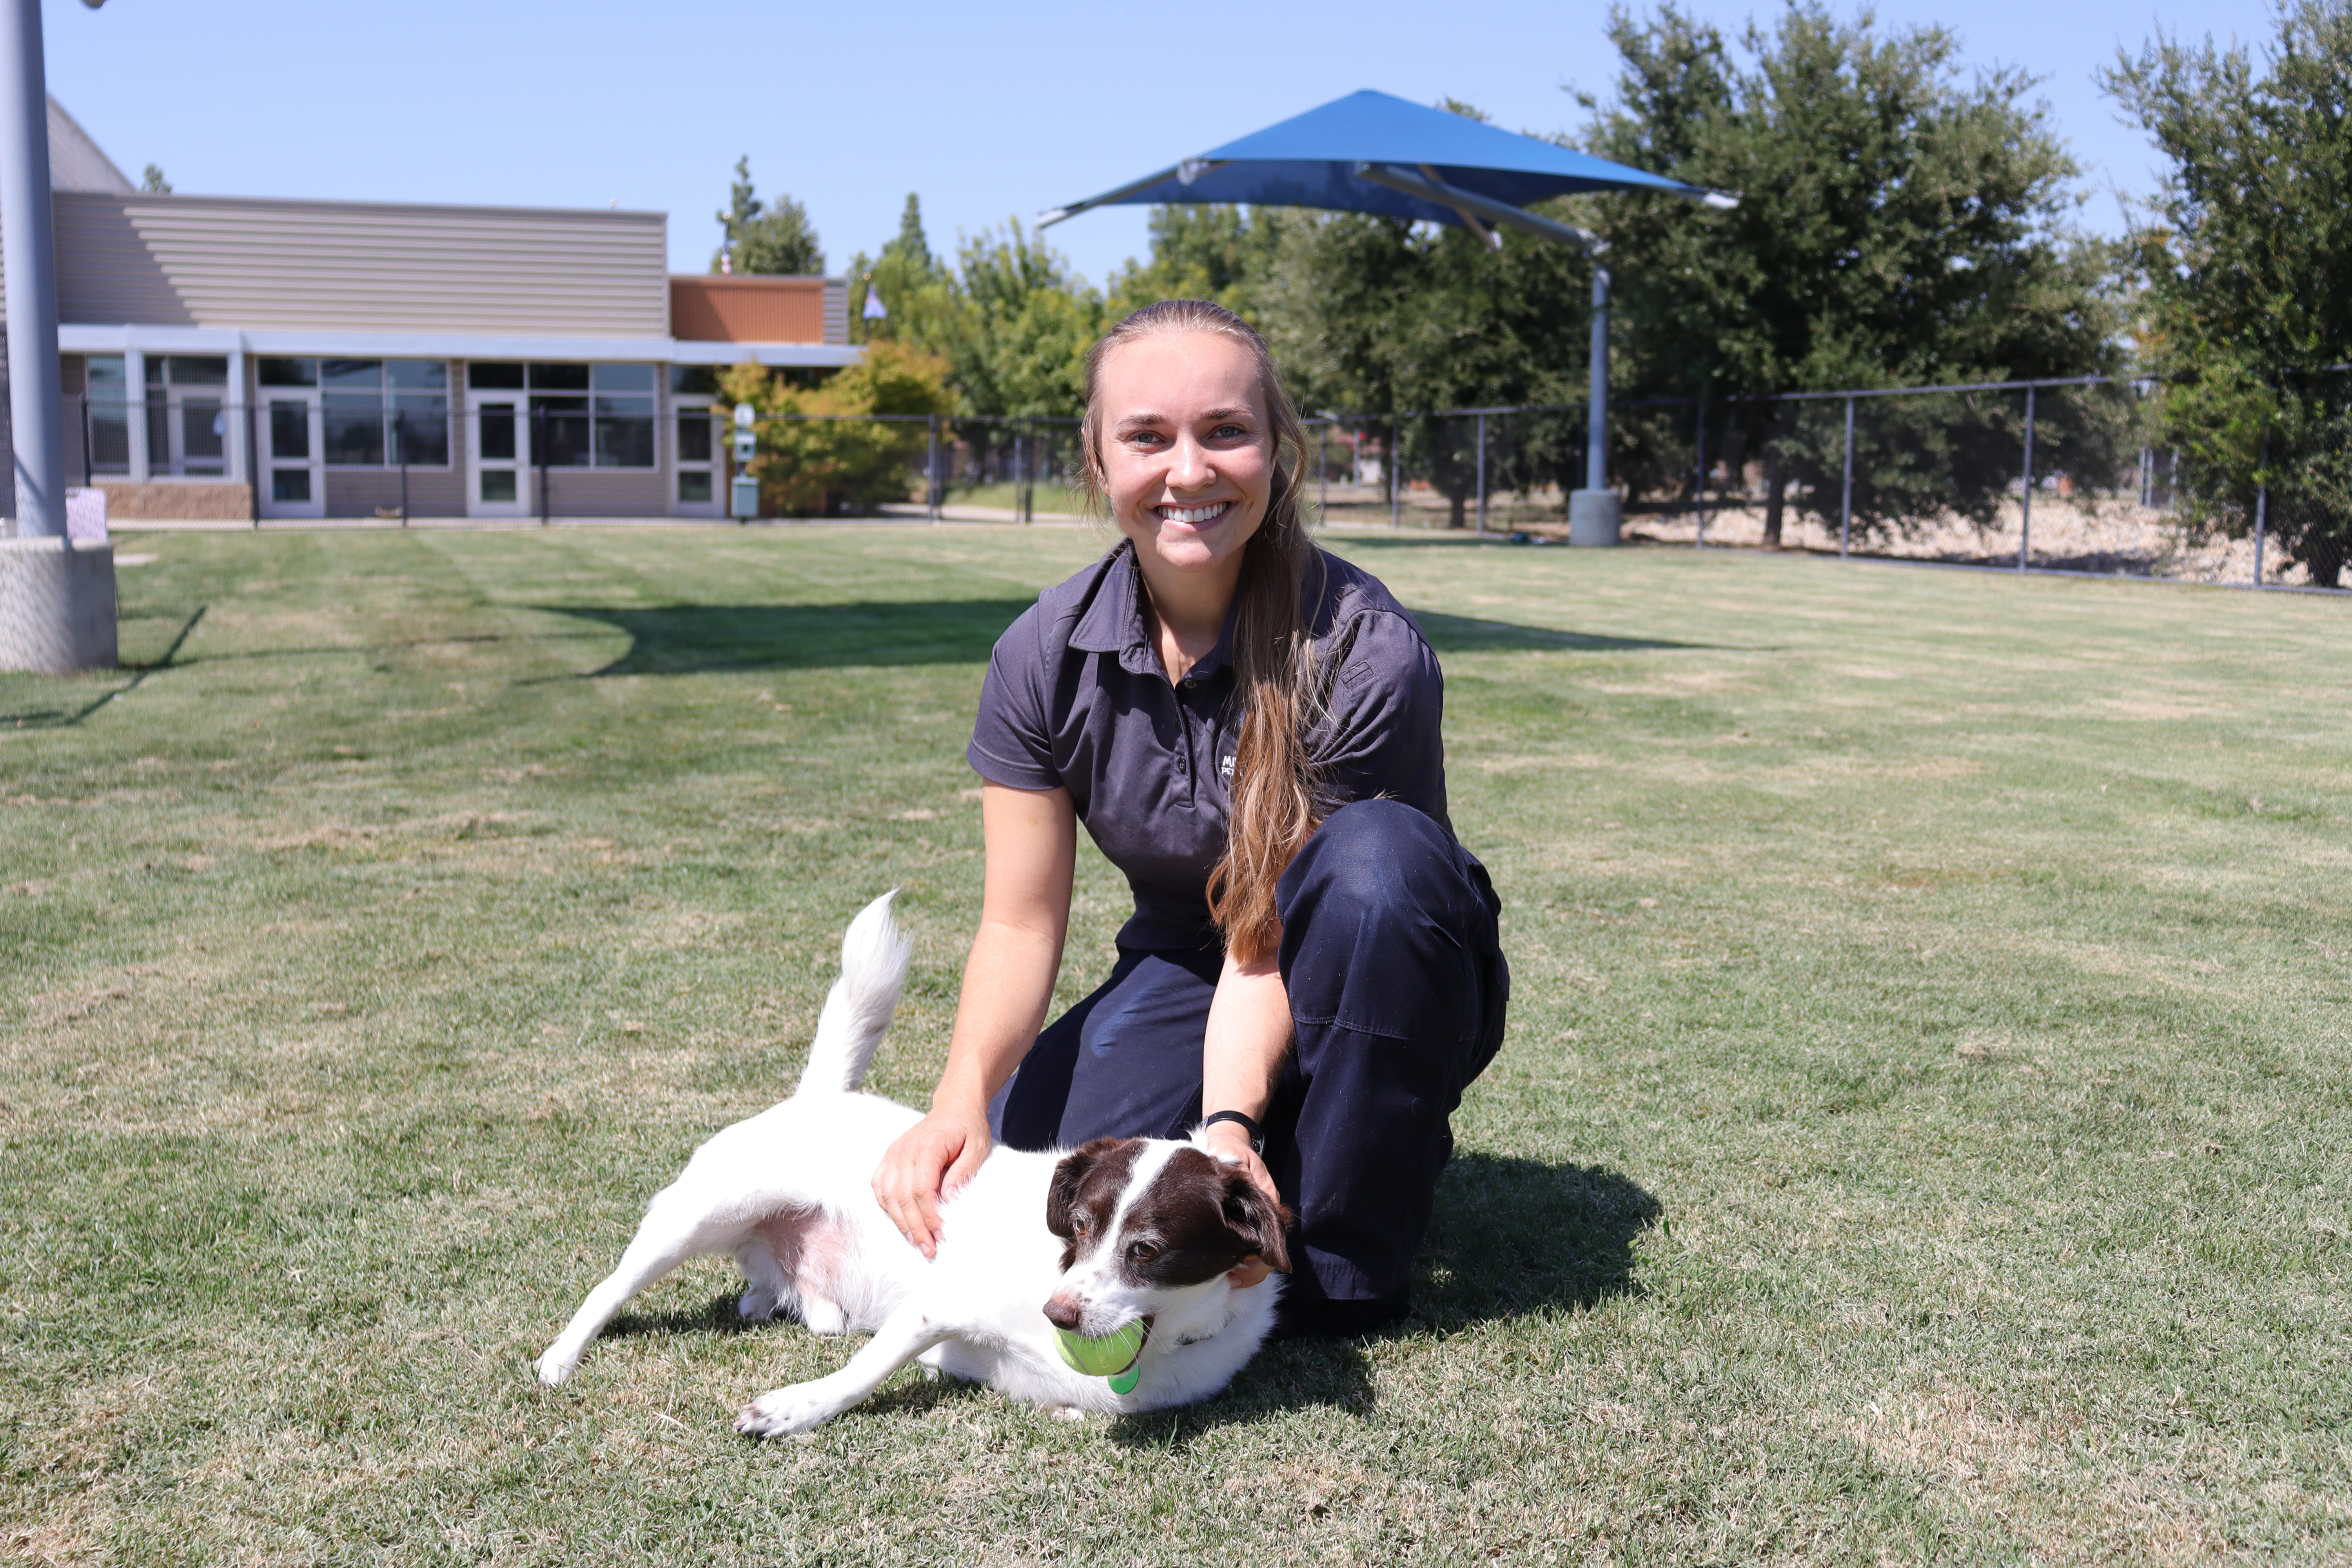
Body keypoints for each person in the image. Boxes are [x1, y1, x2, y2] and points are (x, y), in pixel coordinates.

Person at [871, 299, 1508, 1336]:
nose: (1189, 470)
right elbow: (1020, 922)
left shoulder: (1362, 649)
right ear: (1097, 459)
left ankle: (1345, 1261)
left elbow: (1271, 943)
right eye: (1147, 437)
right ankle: (1313, 1140)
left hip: (1374, 959)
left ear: (1278, 449)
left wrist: (1222, 1123)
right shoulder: (1042, 653)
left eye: (1224, 431)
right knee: (1055, 1146)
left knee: (1380, 867)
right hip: (1187, 965)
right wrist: (958, 1103)